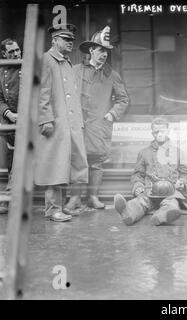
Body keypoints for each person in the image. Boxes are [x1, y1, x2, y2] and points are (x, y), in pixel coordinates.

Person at [63, 26, 129, 213]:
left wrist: (112, 114)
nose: (104, 54)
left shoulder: (112, 74)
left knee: (96, 161)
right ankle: (74, 198)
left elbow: (123, 99)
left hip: (99, 127)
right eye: (101, 50)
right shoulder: (74, 71)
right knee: (76, 159)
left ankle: (92, 197)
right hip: (77, 125)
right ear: (91, 50)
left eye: (107, 51)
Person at [34, 23, 89, 222]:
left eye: (71, 40)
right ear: (54, 40)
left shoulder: (66, 63)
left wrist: (79, 122)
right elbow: (42, 93)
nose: (70, 43)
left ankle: (69, 204)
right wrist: (46, 119)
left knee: (74, 165)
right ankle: (52, 209)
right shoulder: (46, 60)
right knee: (55, 167)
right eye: (66, 39)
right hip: (55, 124)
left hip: (72, 124)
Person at [113, 117, 187, 226]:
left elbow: (185, 174)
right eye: (156, 132)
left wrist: (182, 183)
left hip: (171, 192)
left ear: (168, 131)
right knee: (140, 202)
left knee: (171, 204)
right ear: (152, 134)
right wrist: (138, 186)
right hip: (149, 192)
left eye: (162, 131)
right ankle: (128, 213)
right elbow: (138, 175)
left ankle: (162, 216)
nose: (159, 134)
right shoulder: (144, 153)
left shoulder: (178, 152)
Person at [0, 38, 21, 213]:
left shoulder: (27, 68)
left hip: (28, 122)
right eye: (11, 52)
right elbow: (0, 99)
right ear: (4, 54)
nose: (16, 54)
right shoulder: (1, 72)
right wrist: (9, 114)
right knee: (12, 162)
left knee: (18, 162)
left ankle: (8, 198)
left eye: (17, 50)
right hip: (10, 124)